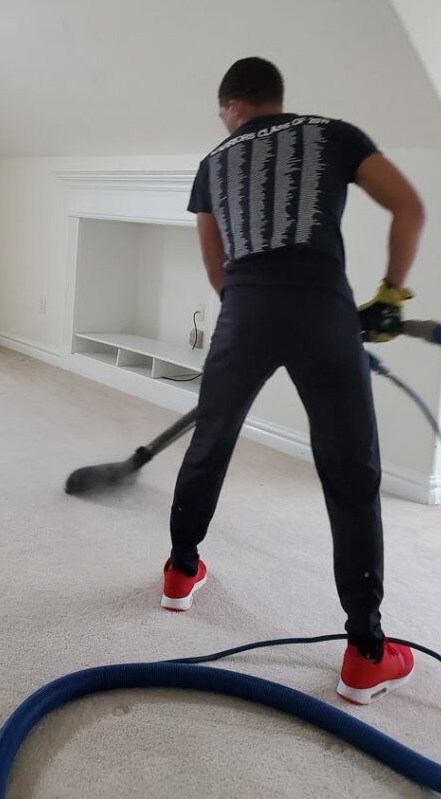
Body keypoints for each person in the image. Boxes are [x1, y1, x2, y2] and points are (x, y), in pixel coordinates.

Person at [162, 57, 425, 705]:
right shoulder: (334, 133)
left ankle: (179, 573)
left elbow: (215, 263)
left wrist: (250, 312)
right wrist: (390, 295)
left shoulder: (214, 161)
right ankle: (365, 654)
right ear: (278, 99)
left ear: (231, 105)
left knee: (211, 442)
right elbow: (409, 207)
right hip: (323, 313)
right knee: (350, 473)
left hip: (245, 310)